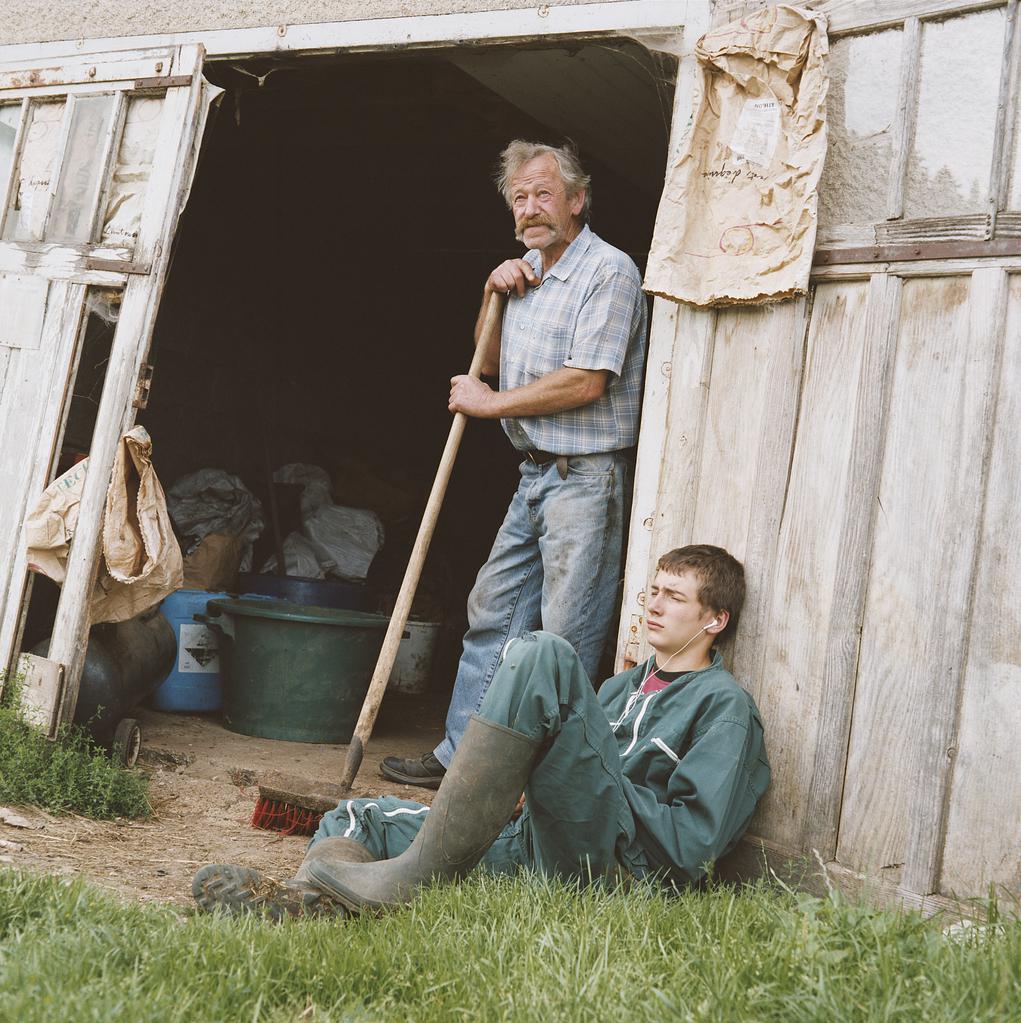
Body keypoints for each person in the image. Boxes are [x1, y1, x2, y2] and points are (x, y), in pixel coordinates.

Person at [192, 545, 771, 919]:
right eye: (654, 591)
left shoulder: (724, 708)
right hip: (533, 842)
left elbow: (693, 845)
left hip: (613, 866)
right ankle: (307, 903)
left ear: (714, 620)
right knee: (361, 816)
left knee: (542, 650)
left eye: (675, 597)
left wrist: (589, 779)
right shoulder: (620, 689)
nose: (654, 606)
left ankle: (409, 882)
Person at [378, 140, 648, 789]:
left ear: (577, 200)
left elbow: (586, 381)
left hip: (585, 477)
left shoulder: (607, 272)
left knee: (563, 633)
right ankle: (458, 758)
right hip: (533, 472)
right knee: (492, 610)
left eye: (543, 193)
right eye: (519, 197)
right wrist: (488, 291)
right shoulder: (521, 272)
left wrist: (490, 406)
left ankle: (551, 783)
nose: (529, 207)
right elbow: (487, 359)